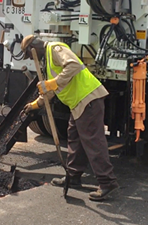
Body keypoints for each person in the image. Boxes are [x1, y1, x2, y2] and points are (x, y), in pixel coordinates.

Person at [21, 34, 119, 201]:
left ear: (34, 48)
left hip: (88, 98)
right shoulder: (49, 61)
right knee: (74, 138)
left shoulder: (55, 49)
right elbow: (51, 90)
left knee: (93, 141)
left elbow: (73, 65)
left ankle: (107, 182)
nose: (31, 58)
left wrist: (53, 82)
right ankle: (73, 176)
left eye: (29, 54)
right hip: (79, 103)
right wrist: (36, 104)